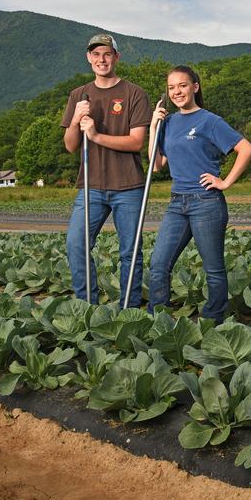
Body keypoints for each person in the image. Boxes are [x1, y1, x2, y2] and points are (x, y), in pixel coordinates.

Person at [147, 66, 251, 322]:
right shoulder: (168, 122)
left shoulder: (209, 120)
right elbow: (156, 164)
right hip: (176, 203)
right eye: (171, 87)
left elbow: (246, 149)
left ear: (195, 86)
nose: (177, 92)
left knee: (214, 270)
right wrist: (153, 127)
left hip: (206, 202)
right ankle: (159, 320)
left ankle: (212, 322)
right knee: (159, 265)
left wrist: (225, 181)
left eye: (182, 85)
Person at [61, 33, 151, 305]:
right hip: (92, 187)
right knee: (76, 245)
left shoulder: (134, 93)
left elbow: (136, 142)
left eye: (107, 54)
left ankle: (129, 311)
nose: (102, 59)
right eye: (96, 54)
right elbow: (70, 146)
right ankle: (88, 306)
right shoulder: (78, 95)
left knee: (130, 252)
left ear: (116, 57)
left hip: (128, 186)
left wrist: (97, 136)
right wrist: (76, 120)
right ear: (89, 58)